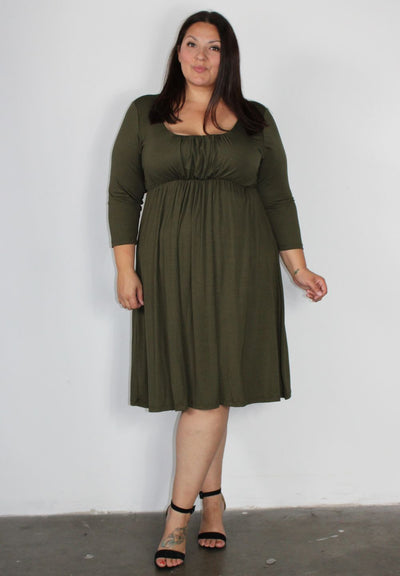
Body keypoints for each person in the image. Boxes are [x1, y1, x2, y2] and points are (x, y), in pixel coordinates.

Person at [108, 10, 327, 570]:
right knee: (201, 391)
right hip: (168, 267)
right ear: (177, 51)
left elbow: (277, 196)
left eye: (214, 47)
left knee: (210, 392)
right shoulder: (144, 114)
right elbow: (123, 194)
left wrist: (298, 269)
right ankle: (213, 502)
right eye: (192, 44)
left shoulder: (255, 118)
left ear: (228, 57)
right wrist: (125, 269)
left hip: (240, 266)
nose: (201, 56)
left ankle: (176, 517)